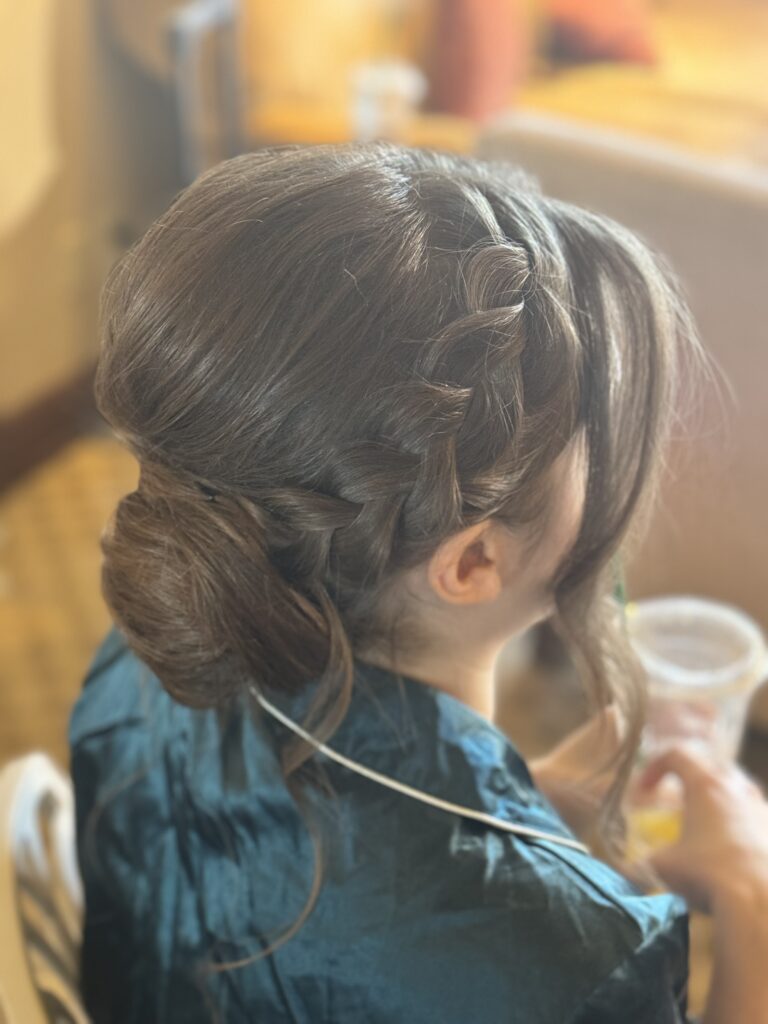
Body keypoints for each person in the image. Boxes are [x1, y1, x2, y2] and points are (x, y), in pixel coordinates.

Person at [69, 143, 768, 1023]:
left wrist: (523, 798)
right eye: (588, 432)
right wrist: (752, 896)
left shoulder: (161, 641)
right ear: (474, 563)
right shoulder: (579, 971)